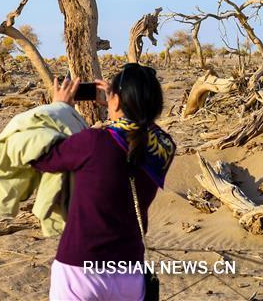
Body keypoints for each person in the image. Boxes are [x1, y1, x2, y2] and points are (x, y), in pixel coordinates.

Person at [32, 63, 176, 301]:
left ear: (117, 100)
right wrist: (119, 102)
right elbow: (145, 129)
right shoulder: (164, 147)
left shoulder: (94, 142)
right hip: (130, 272)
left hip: (80, 269)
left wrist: (58, 108)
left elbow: (41, 158)